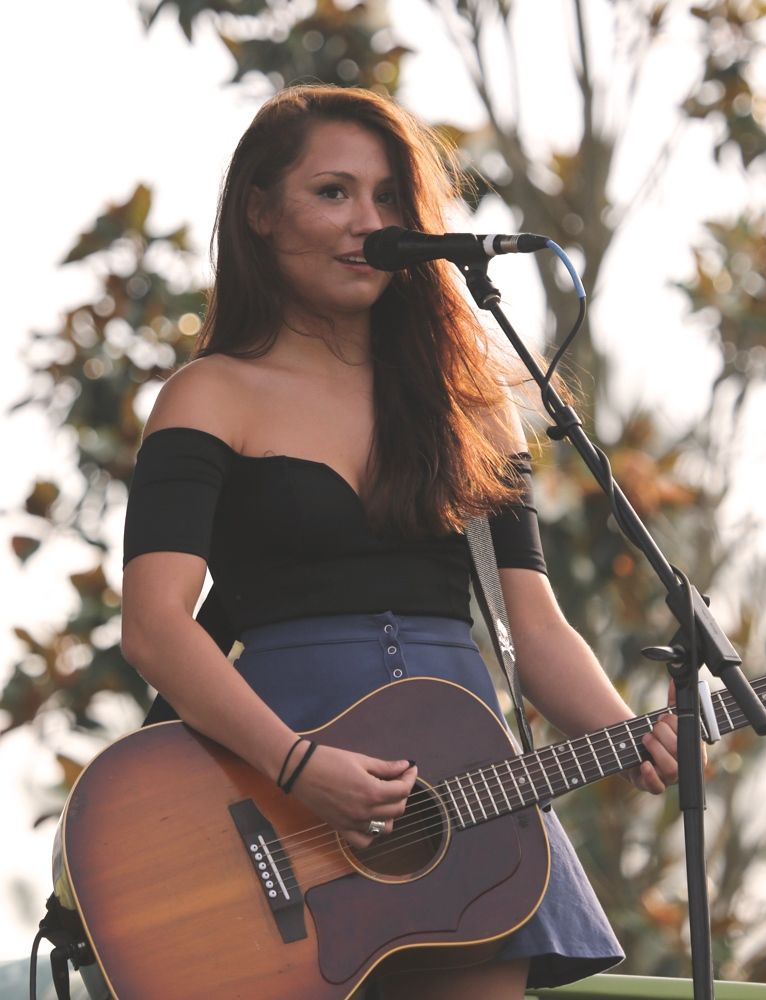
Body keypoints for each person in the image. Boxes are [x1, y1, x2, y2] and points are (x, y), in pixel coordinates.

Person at [120, 84, 680, 1000]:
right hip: (271, 802)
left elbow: (534, 628)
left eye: (389, 198)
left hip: (466, 800)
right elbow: (153, 626)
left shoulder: (472, 411)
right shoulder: (208, 394)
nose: (368, 222)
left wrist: (629, 733)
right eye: (332, 192)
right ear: (259, 211)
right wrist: (297, 765)